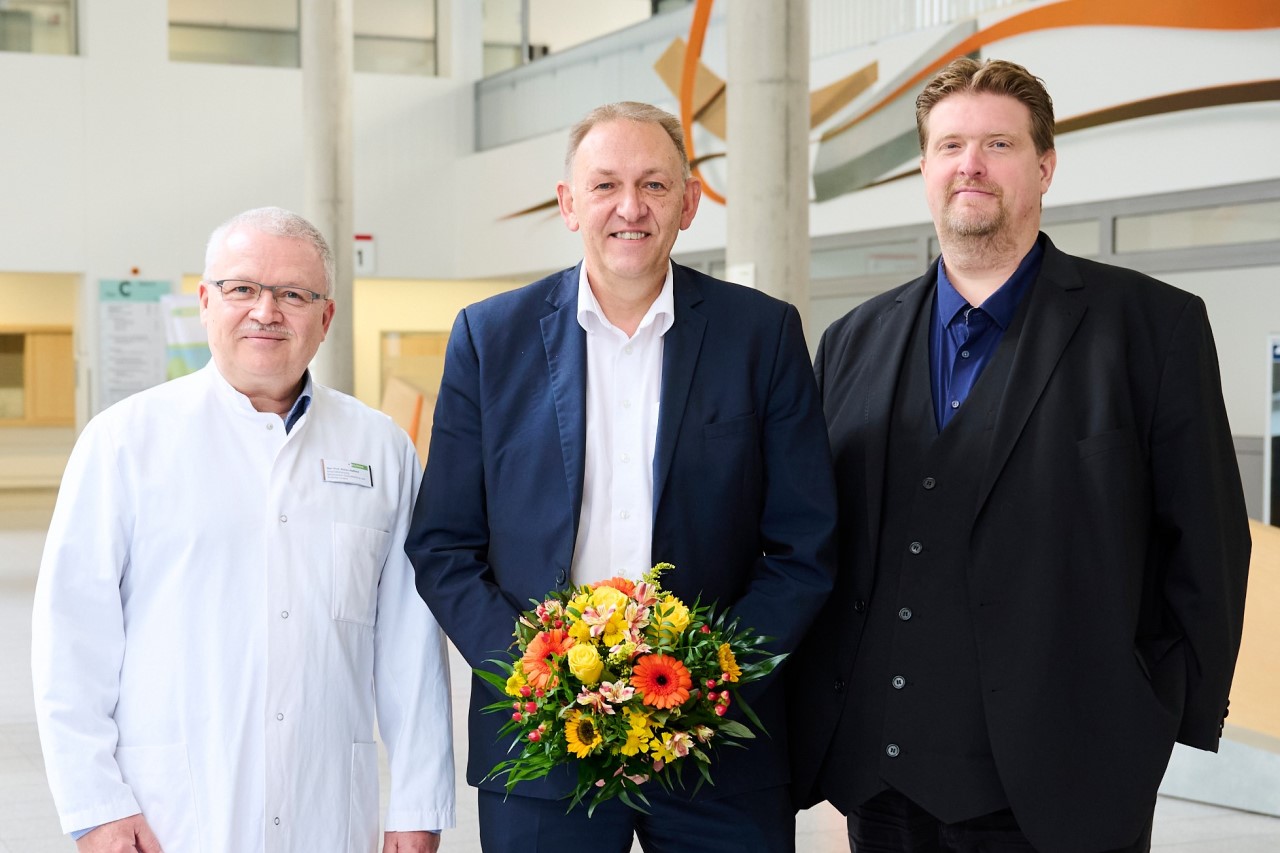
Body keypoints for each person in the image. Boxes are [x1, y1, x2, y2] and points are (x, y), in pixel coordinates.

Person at [789, 57, 1253, 853]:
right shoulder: (850, 340)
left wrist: (1148, 713)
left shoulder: (1152, 328)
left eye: (998, 144)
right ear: (926, 171)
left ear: (1044, 165)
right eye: (949, 146)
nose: (970, 164)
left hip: (1067, 780)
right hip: (880, 786)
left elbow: (1208, 542)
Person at [405, 101, 837, 853]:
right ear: (569, 205)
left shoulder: (760, 334)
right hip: (543, 746)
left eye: (654, 185)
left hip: (719, 751)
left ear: (689, 203)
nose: (629, 207)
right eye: (604, 185)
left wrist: (712, 684)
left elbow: (804, 544)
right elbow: (443, 545)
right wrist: (536, 675)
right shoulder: (489, 337)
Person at [32, 207, 455, 852]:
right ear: (206, 302)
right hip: (168, 814)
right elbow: (72, 637)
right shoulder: (125, 442)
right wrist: (95, 807)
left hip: (328, 810)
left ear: (326, 317)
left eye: (294, 294)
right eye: (242, 289)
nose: (267, 311)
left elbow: (410, 647)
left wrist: (417, 808)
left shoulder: (381, 448)